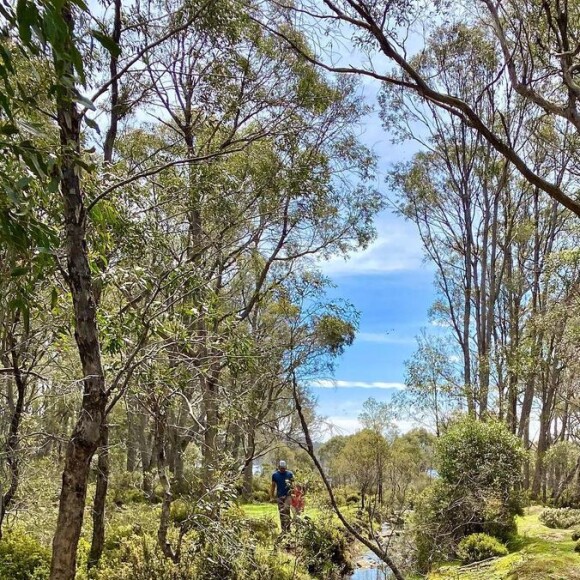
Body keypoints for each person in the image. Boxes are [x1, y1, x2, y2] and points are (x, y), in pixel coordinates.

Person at [270, 460, 293, 533]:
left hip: (288, 495)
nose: (283, 469)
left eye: (284, 468)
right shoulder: (275, 475)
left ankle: (288, 529)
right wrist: (271, 496)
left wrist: (294, 495)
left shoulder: (290, 474)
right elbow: (273, 486)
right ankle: (283, 530)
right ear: (279, 467)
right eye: (281, 468)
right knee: (281, 512)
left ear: (285, 467)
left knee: (286, 509)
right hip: (279, 496)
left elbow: (293, 485)